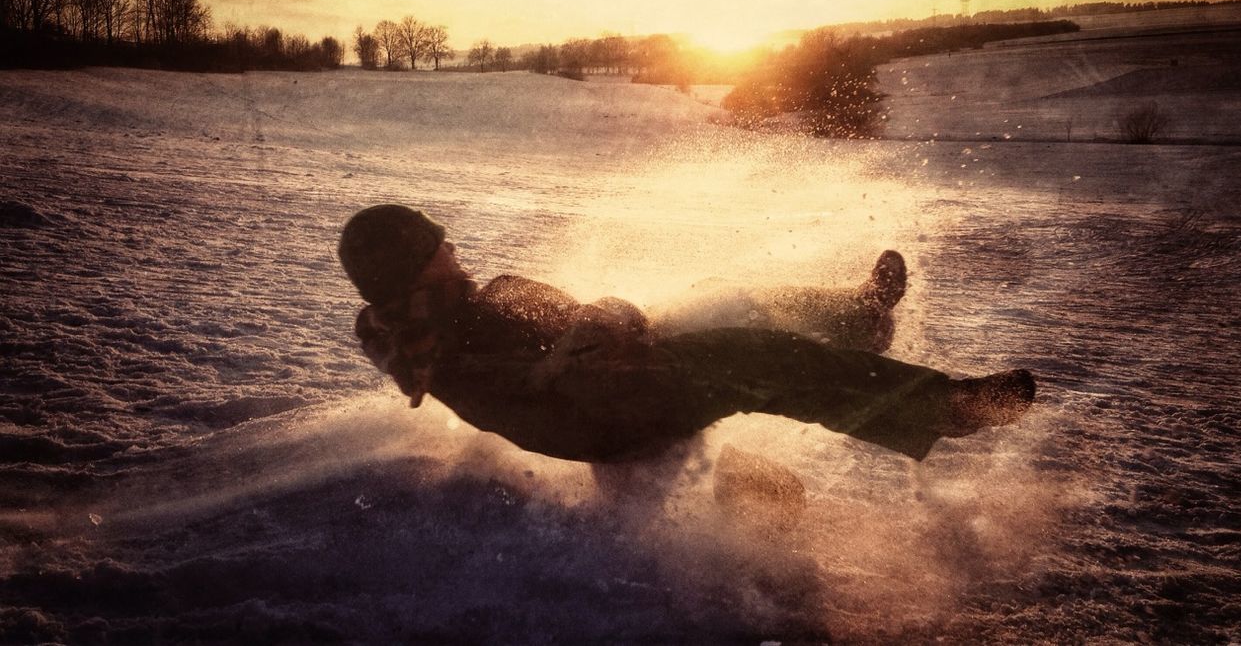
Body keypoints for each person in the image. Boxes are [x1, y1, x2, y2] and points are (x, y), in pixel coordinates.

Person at [338, 204, 1036, 464]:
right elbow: (535, 388)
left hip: (611, 380)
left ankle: (860, 313)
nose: (453, 246)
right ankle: (938, 409)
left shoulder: (451, 316)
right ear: (414, 270)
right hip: (610, 410)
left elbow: (558, 339)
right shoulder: (451, 351)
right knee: (760, 355)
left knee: (721, 296)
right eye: (437, 245)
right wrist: (592, 337)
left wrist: (601, 320)